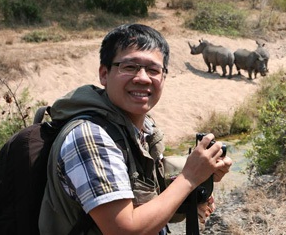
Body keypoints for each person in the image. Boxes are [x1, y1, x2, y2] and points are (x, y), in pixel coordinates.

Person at [38, 23, 232, 234]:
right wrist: (189, 178)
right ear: (104, 74)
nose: (142, 78)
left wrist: (196, 188)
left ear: (163, 77)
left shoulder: (141, 129)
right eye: (129, 67)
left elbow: (148, 209)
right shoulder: (90, 136)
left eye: (153, 70)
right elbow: (124, 230)